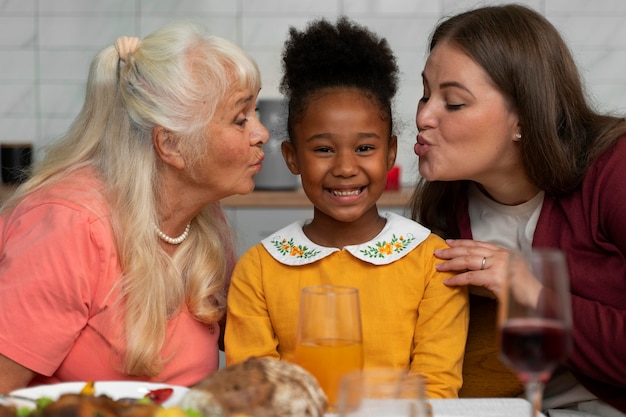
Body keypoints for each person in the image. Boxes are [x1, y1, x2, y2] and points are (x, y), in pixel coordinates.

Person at [0, 22, 269, 392]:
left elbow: (251, 339)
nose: (262, 134)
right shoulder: (69, 224)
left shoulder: (203, 217)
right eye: (241, 119)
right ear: (171, 146)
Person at [224, 17, 469, 399]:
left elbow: (435, 390)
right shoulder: (258, 270)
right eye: (323, 149)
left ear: (390, 152)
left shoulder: (432, 264)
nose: (344, 167)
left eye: (365, 148)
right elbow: (256, 394)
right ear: (292, 157)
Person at [411, 4, 626, 414]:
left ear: (523, 116)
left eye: (453, 103)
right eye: (424, 94)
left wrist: (527, 290)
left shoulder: (615, 171)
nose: (423, 116)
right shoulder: (444, 203)